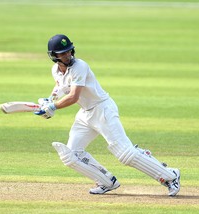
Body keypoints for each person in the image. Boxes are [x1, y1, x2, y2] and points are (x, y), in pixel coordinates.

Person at [35, 34, 181, 196]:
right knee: (71, 155)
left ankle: (170, 176)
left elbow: (74, 96)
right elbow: (59, 87)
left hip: (102, 109)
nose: (67, 55)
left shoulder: (80, 67)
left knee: (125, 154)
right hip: (85, 114)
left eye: (68, 51)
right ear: (54, 56)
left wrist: (53, 107)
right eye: (62, 53)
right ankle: (106, 181)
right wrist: (49, 100)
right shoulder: (55, 69)